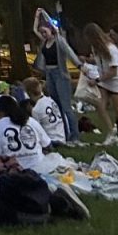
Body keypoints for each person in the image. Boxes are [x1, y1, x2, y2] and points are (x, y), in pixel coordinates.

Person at [31, 9, 81, 144]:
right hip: (49, 74)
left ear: (51, 30)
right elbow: (34, 29)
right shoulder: (44, 42)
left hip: (60, 74)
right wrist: (37, 16)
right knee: (56, 106)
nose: (43, 34)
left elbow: (70, 54)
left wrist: (80, 66)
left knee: (66, 107)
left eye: (45, 32)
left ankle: (75, 136)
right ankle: (64, 133)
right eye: (42, 33)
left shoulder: (59, 41)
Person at [85, 22, 118, 144]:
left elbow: (113, 71)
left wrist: (96, 80)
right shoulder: (95, 48)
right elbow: (100, 63)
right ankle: (111, 133)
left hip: (116, 81)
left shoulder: (111, 49)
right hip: (104, 81)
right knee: (100, 105)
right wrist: (87, 61)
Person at [0, 94, 51, 173]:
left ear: (0, 111)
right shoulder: (30, 121)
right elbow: (47, 145)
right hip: (39, 168)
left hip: (14, 171)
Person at [22, 77, 67, 146]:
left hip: (51, 140)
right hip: (62, 137)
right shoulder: (51, 100)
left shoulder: (36, 110)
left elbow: (37, 130)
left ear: (29, 93)